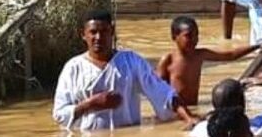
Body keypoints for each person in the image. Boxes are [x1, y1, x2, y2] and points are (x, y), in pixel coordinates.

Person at [53, 10, 195, 130]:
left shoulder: (132, 61)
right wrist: (90, 104)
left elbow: (164, 94)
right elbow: (60, 115)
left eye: (104, 31)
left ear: (112, 31)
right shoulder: (73, 68)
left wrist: (188, 118)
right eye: (93, 32)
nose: (98, 37)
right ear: (83, 34)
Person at [156, 16, 260, 106]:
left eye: (196, 35)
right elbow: (157, 89)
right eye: (188, 36)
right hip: (175, 110)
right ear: (174, 36)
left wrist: (257, 46)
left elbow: (230, 55)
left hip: (194, 107)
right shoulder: (168, 60)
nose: (194, 39)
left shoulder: (200, 55)